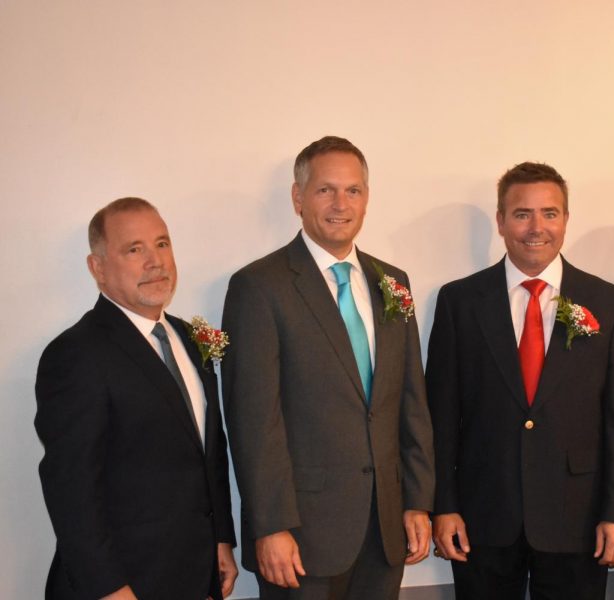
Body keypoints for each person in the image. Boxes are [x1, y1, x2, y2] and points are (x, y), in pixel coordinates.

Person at [222, 136, 435, 600]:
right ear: (298, 198)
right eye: (325, 190)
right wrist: (271, 526)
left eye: (353, 190)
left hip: (385, 532)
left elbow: (410, 400)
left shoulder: (392, 283)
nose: (341, 203)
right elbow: (253, 421)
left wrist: (418, 501)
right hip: (301, 541)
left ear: (366, 198)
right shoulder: (259, 287)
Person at [426, 162, 614, 599]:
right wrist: (443, 506)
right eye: (522, 214)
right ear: (501, 222)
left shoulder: (610, 302)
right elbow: (441, 417)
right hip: (482, 518)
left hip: (579, 520)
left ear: (565, 220)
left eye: (549, 213)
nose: (536, 227)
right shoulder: (460, 302)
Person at [35, 197, 238, 599]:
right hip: (122, 584)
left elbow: (208, 455)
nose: (155, 262)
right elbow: (71, 489)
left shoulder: (189, 339)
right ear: (97, 268)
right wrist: (109, 588)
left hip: (195, 575)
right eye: (134, 249)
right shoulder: (75, 354)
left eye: (162, 244)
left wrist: (220, 539)